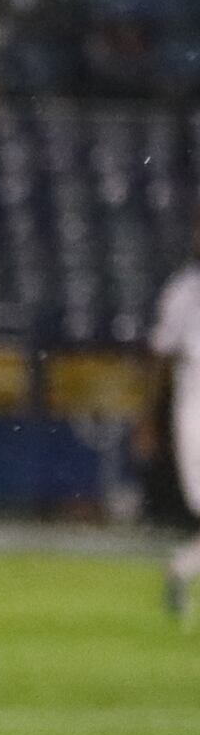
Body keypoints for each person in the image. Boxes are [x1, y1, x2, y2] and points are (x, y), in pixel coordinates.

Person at [152, 213, 200, 623]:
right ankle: (181, 571)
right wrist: (149, 418)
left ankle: (181, 571)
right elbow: (162, 359)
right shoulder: (183, 292)